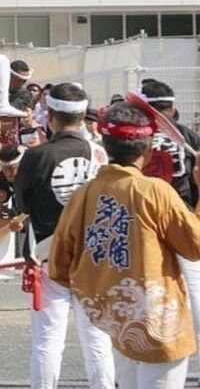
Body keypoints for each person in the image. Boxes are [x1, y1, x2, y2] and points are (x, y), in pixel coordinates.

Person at [50, 101, 200, 389]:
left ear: (106, 145)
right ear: (148, 148)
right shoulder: (154, 191)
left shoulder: (84, 194)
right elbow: (195, 246)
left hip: (115, 321)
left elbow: (59, 266)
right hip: (159, 323)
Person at [13, 83, 113, 389]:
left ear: (51, 116)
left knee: (47, 341)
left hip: (49, 251)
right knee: (97, 339)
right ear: (83, 117)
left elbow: (22, 204)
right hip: (94, 255)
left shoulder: (36, 156)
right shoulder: (100, 154)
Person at [138, 79, 200, 366]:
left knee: (145, 290)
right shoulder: (188, 137)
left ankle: (147, 359)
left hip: (145, 222)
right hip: (184, 216)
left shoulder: (138, 138)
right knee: (195, 291)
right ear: (172, 108)